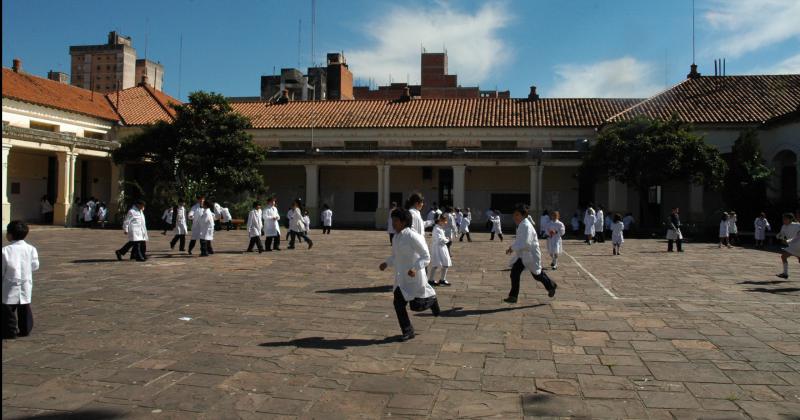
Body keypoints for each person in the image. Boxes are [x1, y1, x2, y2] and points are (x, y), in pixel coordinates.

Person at [379, 208, 440, 341]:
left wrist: (415, 268)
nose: (393, 224)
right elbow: (395, 256)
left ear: (404, 221)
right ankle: (408, 330)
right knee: (398, 303)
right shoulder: (396, 237)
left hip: (414, 276)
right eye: (392, 221)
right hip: (401, 278)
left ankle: (432, 300)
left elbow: (426, 256)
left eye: (396, 221)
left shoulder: (413, 236)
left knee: (416, 306)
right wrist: (387, 263)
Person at [504, 204, 556, 303]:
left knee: (537, 275)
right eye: (514, 215)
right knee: (514, 273)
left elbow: (526, 243)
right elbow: (519, 240)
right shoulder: (521, 224)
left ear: (523, 215)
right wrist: (512, 248)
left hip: (530, 255)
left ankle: (551, 286)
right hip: (523, 255)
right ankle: (513, 296)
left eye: (517, 215)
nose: (515, 217)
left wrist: (513, 248)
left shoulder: (526, 225)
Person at [2, 221, 39, 339]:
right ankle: (25, 329)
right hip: (25, 282)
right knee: (24, 306)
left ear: (10, 234)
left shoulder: (5, 251)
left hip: (9, 283)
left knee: (7, 309)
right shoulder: (31, 249)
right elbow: (35, 266)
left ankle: (10, 331)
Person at [428, 214, 453, 286]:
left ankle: (442, 279)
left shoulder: (439, 228)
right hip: (438, 248)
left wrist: (445, 240)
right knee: (436, 264)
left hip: (441, 248)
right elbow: (440, 240)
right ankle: (431, 280)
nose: (445, 223)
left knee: (445, 263)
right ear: (440, 221)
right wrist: (447, 240)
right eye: (444, 221)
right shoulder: (437, 229)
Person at [775, 213, 800, 279]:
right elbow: (781, 234)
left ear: (791, 219)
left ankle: (785, 274)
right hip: (793, 245)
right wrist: (779, 236)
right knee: (784, 257)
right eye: (783, 219)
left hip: (797, 244)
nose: (784, 220)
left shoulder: (797, 225)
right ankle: (785, 274)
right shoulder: (783, 226)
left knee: (783, 256)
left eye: (785, 219)